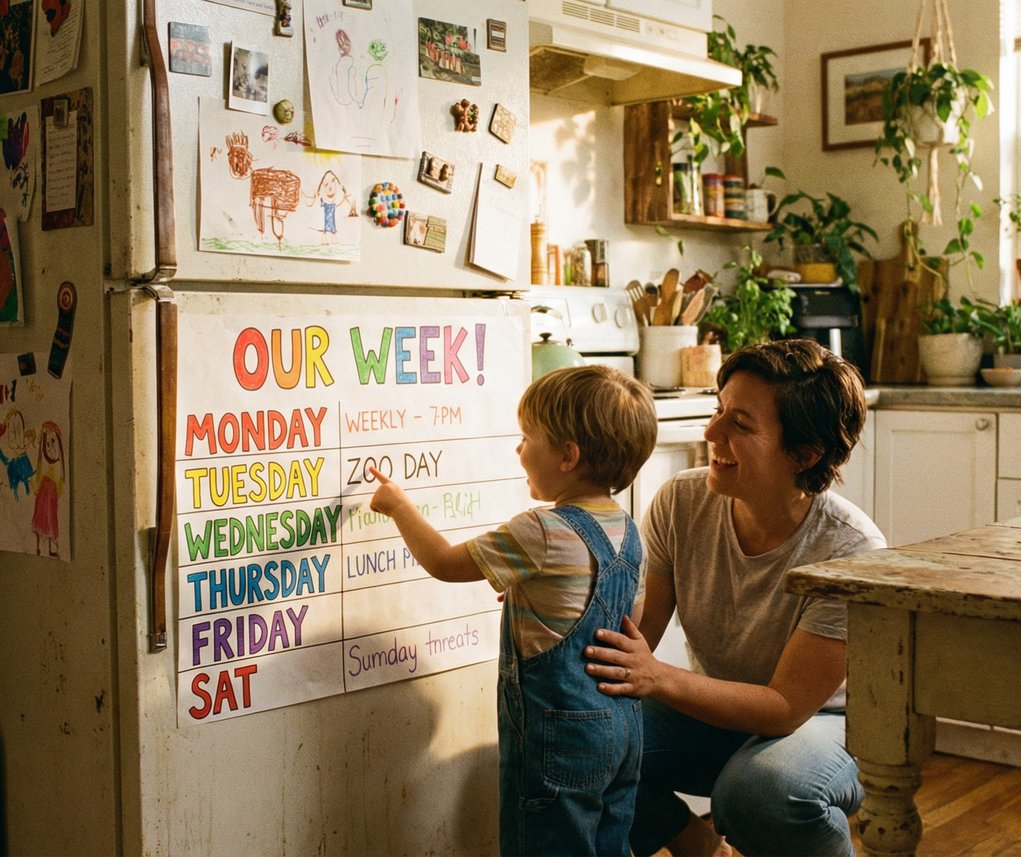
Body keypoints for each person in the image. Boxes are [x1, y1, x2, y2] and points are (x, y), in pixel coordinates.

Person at [583, 338, 885, 857]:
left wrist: (658, 677)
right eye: (718, 410)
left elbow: (786, 707)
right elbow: (638, 633)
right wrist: (557, 600)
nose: (711, 432)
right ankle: (701, 849)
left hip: (830, 725)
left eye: (740, 424)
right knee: (579, 739)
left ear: (805, 454)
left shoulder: (851, 550)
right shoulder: (681, 501)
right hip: (723, 708)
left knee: (761, 794)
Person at [368, 364, 658, 856]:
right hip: (622, 730)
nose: (518, 449)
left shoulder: (541, 530)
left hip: (559, 736)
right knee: (609, 845)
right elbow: (623, 621)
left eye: (528, 438)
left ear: (568, 456)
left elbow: (443, 563)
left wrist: (399, 506)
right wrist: (540, 597)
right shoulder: (629, 531)